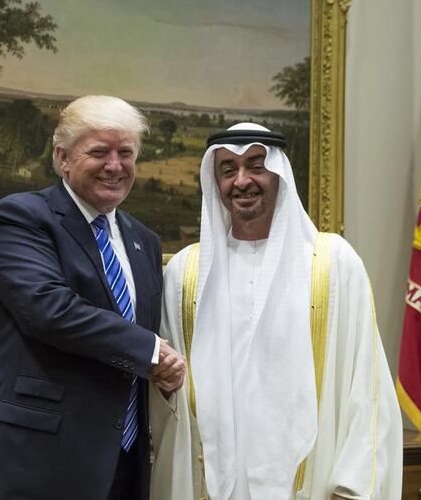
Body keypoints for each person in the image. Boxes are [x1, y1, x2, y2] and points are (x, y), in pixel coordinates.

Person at [0, 95, 186, 500]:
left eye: (126, 153)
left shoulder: (144, 240)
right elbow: (49, 310)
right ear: (62, 158)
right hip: (31, 458)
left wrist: (160, 371)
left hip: (122, 463)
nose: (114, 165)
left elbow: (138, 335)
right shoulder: (22, 217)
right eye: (99, 152)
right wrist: (152, 352)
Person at [150, 123, 402, 500]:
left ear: (280, 174)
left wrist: (352, 487)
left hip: (310, 484)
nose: (242, 181)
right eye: (228, 170)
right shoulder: (187, 273)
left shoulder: (332, 263)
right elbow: (166, 393)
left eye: (256, 165)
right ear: (214, 180)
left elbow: (365, 384)